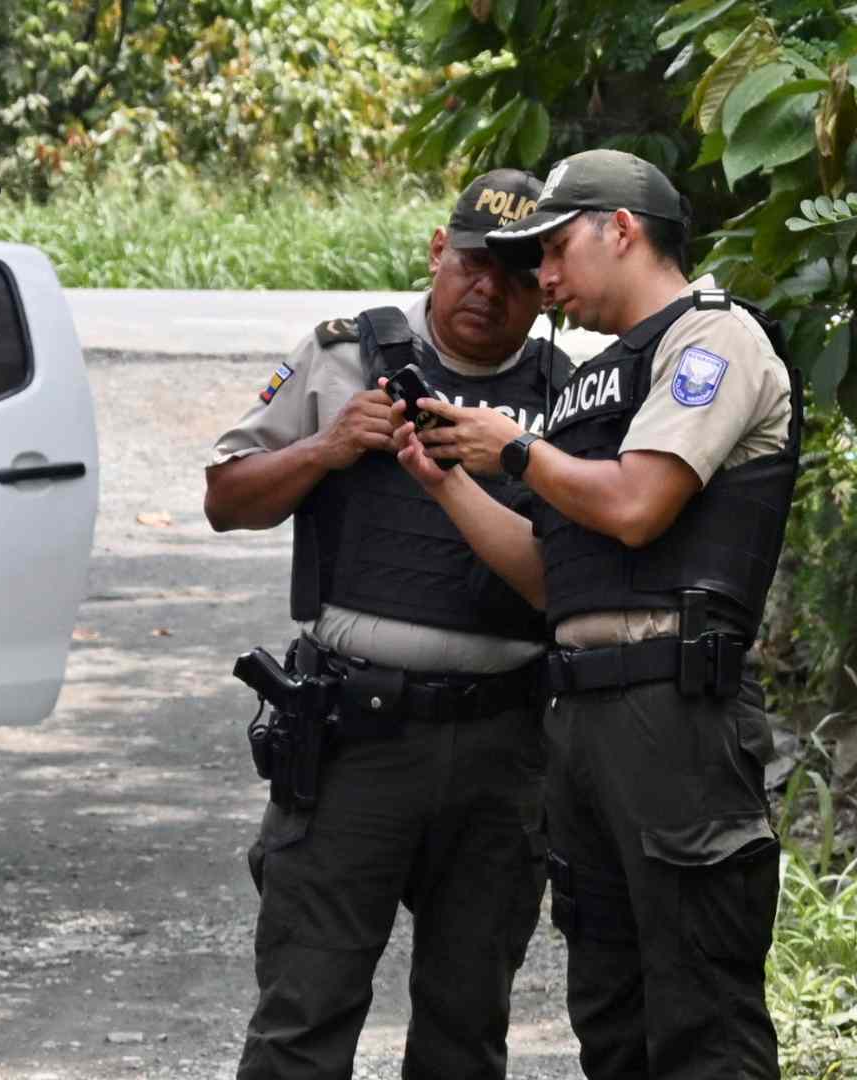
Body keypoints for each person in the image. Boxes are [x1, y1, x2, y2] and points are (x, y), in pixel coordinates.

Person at [392, 148, 799, 1079]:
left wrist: (519, 452)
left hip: (675, 712)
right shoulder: (595, 384)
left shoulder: (713, 339)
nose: (540, 278)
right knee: (611, 1016)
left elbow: (637, 504)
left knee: (701, 1015)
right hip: (586, 718)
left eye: (554, 249)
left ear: (622, 230)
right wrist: (448, 479)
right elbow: (553, 580)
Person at [207, 170, 568, 1079]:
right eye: (476, 264)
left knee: (466, 1029)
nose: (490, 289)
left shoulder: (570, 391)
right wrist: (330, 447)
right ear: (439, 253)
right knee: (305, 1016)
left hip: (504, 744)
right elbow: (224, 499)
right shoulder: (342, 355)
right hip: (356, 739)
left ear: (546, 286)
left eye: (519, 274)